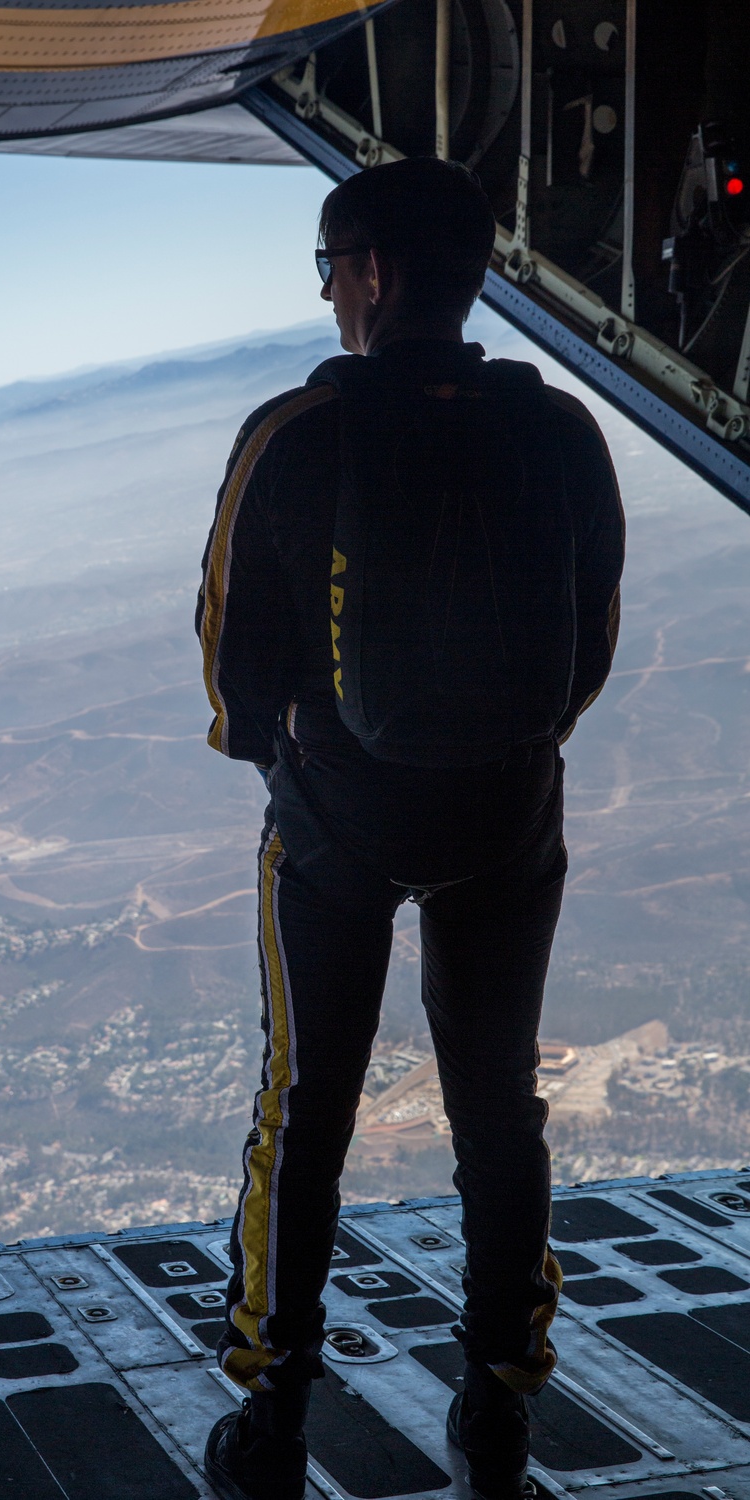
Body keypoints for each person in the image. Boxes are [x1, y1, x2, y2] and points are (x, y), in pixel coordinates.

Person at [196, 157, 624, 1500]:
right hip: (507, 816)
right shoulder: (560, 431)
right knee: (498, 1109)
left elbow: (229, 671)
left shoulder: (292, 436)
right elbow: (591, 643)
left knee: (302, 1108)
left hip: (335, 827)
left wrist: (303, 753)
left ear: (371, 271)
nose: (329, 298)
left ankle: (271, 1417)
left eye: (330, 269)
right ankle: (498, 1405)